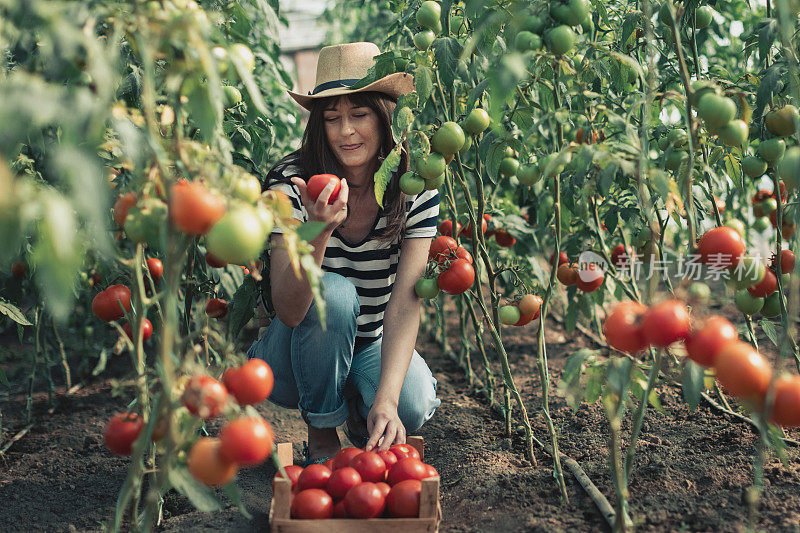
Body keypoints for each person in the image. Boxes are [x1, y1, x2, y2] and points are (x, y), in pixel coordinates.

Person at [247, 42, 441, 464]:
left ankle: (357, 406)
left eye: (359, 115)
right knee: (332, 293)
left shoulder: (413, 185)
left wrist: (387, 400)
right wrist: (318, 231)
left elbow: (406, 303)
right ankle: (320, 430)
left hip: (367, 342)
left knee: (412, 404)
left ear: (384, 116)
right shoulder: (291, 182)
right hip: (292, 352)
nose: (345, 132)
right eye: (332, 118)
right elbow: (290, 310)